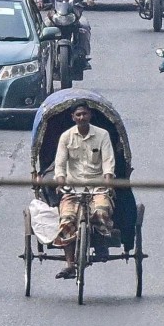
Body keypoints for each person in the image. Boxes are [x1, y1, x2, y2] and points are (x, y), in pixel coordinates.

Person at [52, 102, 116, 279]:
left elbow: (108, 163)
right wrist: (61, 182)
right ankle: (70, 264)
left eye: (84, 114)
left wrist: (108, 183)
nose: (81, 118)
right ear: (73, 117)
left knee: (101, 211)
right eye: (78, 115)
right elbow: (60, 164)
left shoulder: (102, 135)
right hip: (73, 187)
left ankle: (102, 243)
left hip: (97, 186)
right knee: (66, 220)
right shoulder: (66, 137)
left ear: (90, 115)